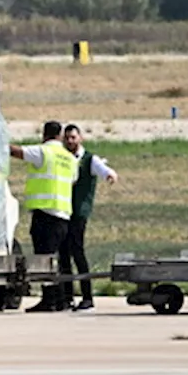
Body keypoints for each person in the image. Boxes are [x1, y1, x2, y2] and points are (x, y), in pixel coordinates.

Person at [9, 120, 79, 312]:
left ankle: (50, 300)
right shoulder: (70, 159)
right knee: (63, 259)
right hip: (64, 214)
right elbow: (72, 181)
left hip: (45, 214)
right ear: (60, 135)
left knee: (44, 259)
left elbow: (16, 152)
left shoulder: (43, 152)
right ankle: (65, 298)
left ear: (44, 134)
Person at [59, 124, 119, 314]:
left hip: (79, 213)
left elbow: (104, 170)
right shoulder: (62, 158)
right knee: (63, 255)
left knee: (78, 252)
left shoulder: (88, 159)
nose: (70, 141)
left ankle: (87, 297)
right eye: (67, 138)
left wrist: (110, 175)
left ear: (80, 139)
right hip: (63, 211)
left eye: (73, 137)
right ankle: (67, 297)